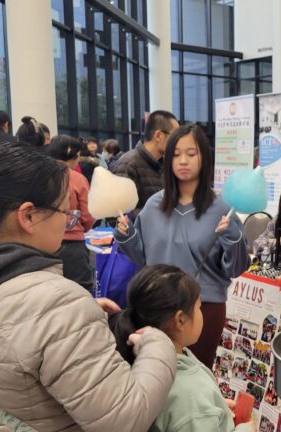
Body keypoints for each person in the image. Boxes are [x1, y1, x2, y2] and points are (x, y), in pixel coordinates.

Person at [0, 141, 177, 431]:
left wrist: (73, 325)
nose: (68, 222)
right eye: (64, 212)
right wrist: (159, 344)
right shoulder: (55, 304)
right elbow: (125, 419)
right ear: (28, 215)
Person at [114, 124, 249, 369]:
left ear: (204, 158)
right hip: (156, 308)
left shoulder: (222, 209)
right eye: (175, 154)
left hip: (203, 310)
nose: (182, 161)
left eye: (191, 153)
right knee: (154, 376)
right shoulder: (154, 205)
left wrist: (233, 237)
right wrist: (126, 236)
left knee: (195, 378)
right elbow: (142, 258)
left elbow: (235, 268)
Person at [109, 265, 255, 432]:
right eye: (199, 307)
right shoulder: (189, 396)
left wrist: (215, 408)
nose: (201, 313)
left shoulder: (138, 360)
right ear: (180, 320)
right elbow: (189, 410)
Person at [47, 135, 96, 292]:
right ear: (75, 157)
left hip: (44, 243)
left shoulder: (39, 176)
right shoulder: (78, 179)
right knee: (80, 290)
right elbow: (88, 215)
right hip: (73, 246)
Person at [113, 110, 179, 216]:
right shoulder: (128, 164)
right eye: (175, 136)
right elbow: (118, 214)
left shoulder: (166, 165)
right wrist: (159, 217)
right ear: (158, 135)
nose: (178, 141)